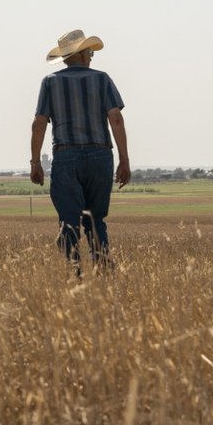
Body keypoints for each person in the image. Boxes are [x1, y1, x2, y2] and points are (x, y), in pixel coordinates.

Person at [29, 29, 130, 272]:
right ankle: (104, 272)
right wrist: (124, 160)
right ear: (83, 54)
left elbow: (38, 124)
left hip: (66, 157)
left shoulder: (50, 82)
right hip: (100, 156)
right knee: (96, 221)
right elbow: (115, 119)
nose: (92, 57)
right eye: (90, 52)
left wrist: (35, 163)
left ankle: (75, 276)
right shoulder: (102, 79)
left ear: (65, 57)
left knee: (68, 223)